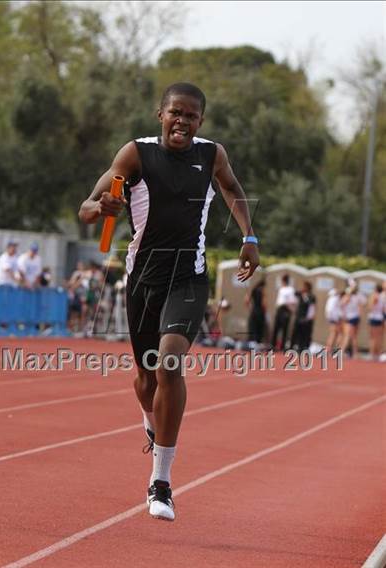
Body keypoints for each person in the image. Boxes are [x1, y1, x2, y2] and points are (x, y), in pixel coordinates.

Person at [78, 82, 259, 521]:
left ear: (201, 121)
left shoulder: (211, 153)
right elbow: (87, 206)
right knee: (145, 379)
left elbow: (233, 189)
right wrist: (100, 208)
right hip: (142, 280)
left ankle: (161, 480)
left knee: (170, 364)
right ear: (160, 114)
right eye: (176, 113)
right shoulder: (135, 155)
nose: (183, 121)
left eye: (192, 116)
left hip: (189, 278)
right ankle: (149, 419)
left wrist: (249, 236)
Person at [340, 282, 366, 358]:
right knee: (351, 336)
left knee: (350, 336)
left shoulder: (356, 297)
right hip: (351, 318)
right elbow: (342, 305)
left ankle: (348, 352)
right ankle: (354, 353)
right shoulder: (347, 297)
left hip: (352, 318)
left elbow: (363, 303)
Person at [271, 274, 297, 351]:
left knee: (284, 329)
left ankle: (282, 347)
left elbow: (293, 301)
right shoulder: (281, 289)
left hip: (285, 309)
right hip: (279, 309)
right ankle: (273, 345)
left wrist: (290, 309)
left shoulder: (290, 289)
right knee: (276, 328)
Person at [291, 281, 316, 352]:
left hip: (305, 317)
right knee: (295, 332)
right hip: (299, 316)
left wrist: (310, 317)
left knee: (304, 333)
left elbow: (312, 307)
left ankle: (302, 347)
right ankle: (292, 346)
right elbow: (294, 293)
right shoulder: (300, 294)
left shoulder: (311, 296)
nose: (303, 288)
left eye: (305, 287)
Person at [244, 279, 266, 345]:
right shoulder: (262, 292)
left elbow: (246, 300)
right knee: (259, 328)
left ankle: (251, 343)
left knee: (252, 327)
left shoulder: (253, 290)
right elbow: (264, 303)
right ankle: (257, 343)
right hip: (260, 311)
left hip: (254, 311)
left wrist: (250, 308)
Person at [367, 284, 385, 360]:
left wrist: (370, 302)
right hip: (379, 318)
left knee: (373, 337)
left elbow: (370, 307)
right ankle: (377, 353)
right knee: (378, 337)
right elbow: (383, 309)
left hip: (374, 318)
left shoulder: (375, 296)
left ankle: (372, 354)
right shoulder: (382, 296)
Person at [325, 288, 344, 354]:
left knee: (333, 334)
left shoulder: (330, 299)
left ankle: (329, 349)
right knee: (337, 334)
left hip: (333, 318)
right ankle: (332, 349)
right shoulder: (334, 299)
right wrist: (336, 319)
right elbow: (331, 310)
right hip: (335, 318)